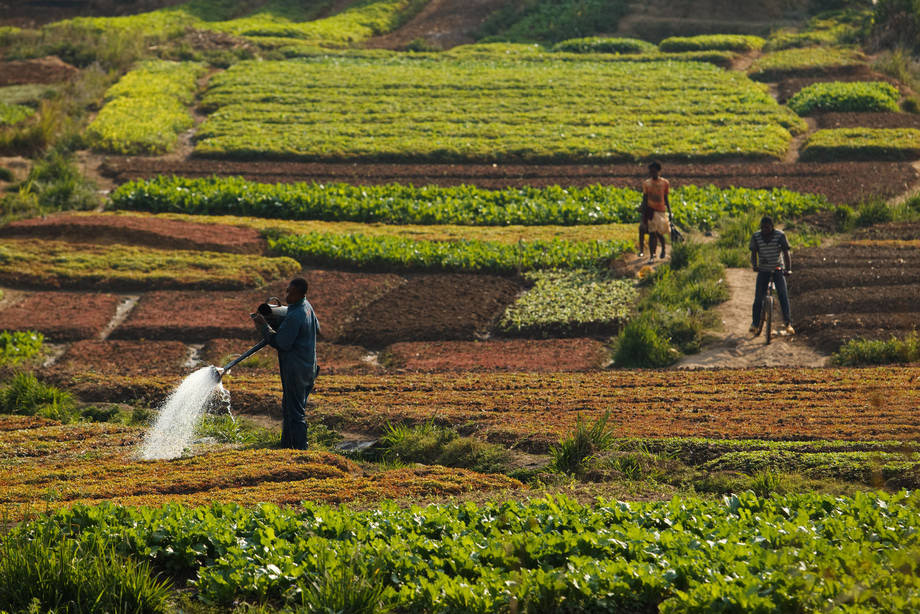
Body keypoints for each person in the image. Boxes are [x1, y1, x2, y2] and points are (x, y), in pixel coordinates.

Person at [252, 277, 319, 449]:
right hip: (308, 367)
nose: (286, 294)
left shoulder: (295, 315)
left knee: (295, 412)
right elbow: (316, 328)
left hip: (296, 369)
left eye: (290, 292)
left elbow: (282, 343)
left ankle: (300, 449)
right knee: (291, 407)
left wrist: (264, 327)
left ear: (298, 294)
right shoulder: (306, 306)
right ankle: (287, 446)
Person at [749, 216, 794, 336]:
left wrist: (788, 269)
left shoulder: (780, 235)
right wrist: (754, 265)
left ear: (772, 227)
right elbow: (754, 253)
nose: (765, 230)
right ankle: (755, 323)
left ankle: (788, 323)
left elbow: (786, 252)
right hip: (763, 269)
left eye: (767, 227)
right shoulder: (756, 237)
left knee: (783, 295)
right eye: (763, 228)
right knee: (758, 297)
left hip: (778, 269)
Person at [641, 161, 671, 262]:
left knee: (659, 233)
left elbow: (666, 198)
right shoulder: (646, 184)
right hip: (651, 211)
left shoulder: (665, 183)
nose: (652, 174)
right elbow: (645, 199)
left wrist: (670, 211)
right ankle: (652, 255)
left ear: (659, 171)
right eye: (651, 172)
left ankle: (663, 247)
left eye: (654, 172)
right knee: (652, 233)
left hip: (661, 211)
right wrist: (643, 212)